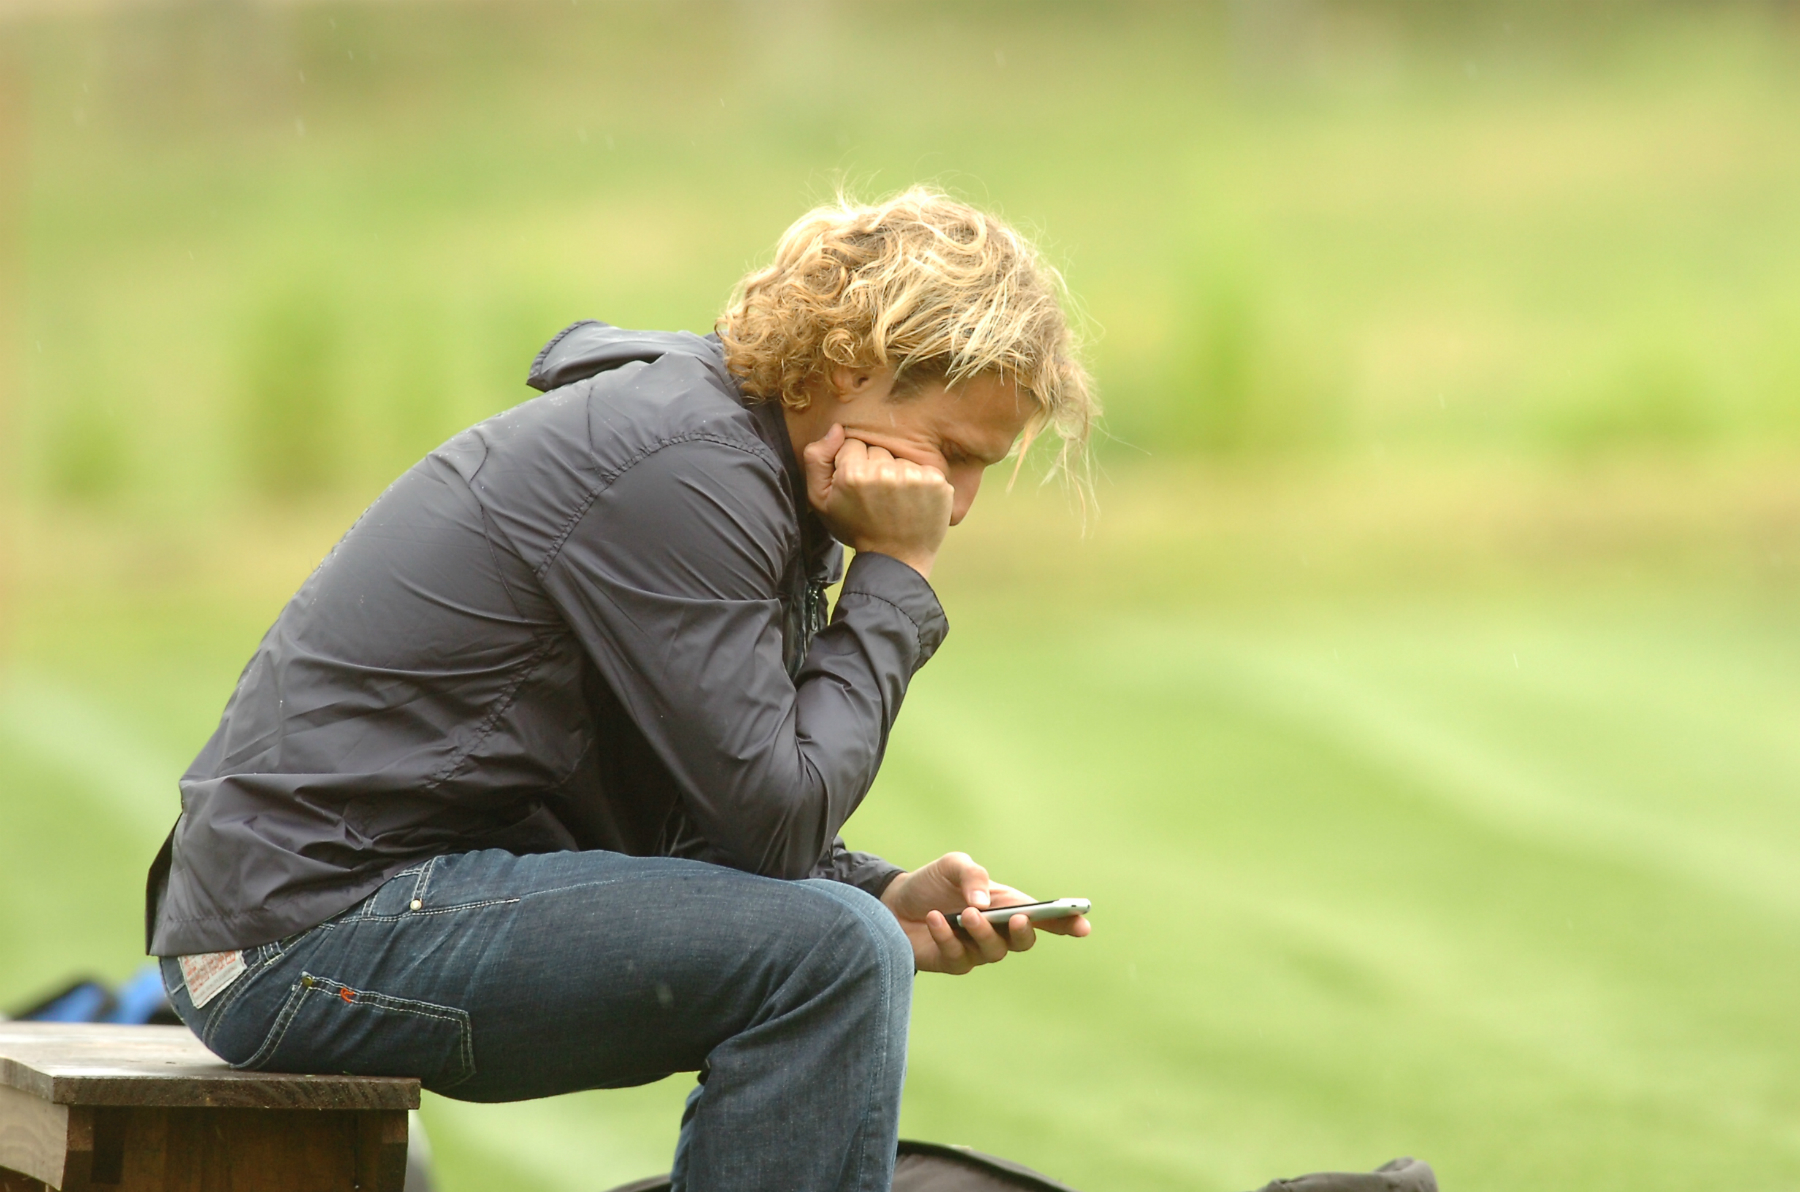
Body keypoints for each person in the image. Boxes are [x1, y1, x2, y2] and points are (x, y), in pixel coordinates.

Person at [146, 188, 1096, 1192]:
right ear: (847, 369)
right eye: (950, 450)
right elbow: (773, 818)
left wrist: (879, 890)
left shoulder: (732, 459)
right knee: (832, 959)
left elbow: (721, 809)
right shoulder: (688, 470)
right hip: (296, 937)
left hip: (309, 914)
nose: (956, 502)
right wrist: (897, 574)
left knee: (848, 938)